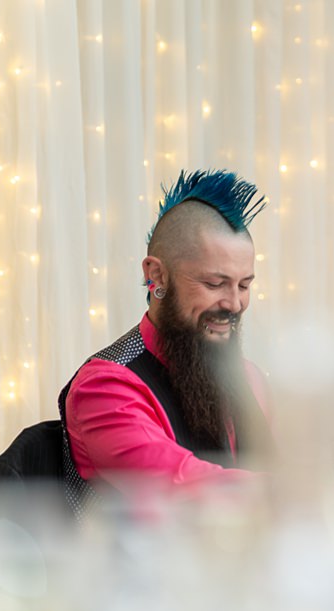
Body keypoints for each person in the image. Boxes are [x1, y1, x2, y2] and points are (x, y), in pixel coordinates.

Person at [59, 169, 274, 516]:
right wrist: (299, 491)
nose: (234, 304)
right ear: (156, 276)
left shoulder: (249, 377)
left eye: (244, 285)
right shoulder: (103, 388)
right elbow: (184, 487)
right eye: (215, 283)